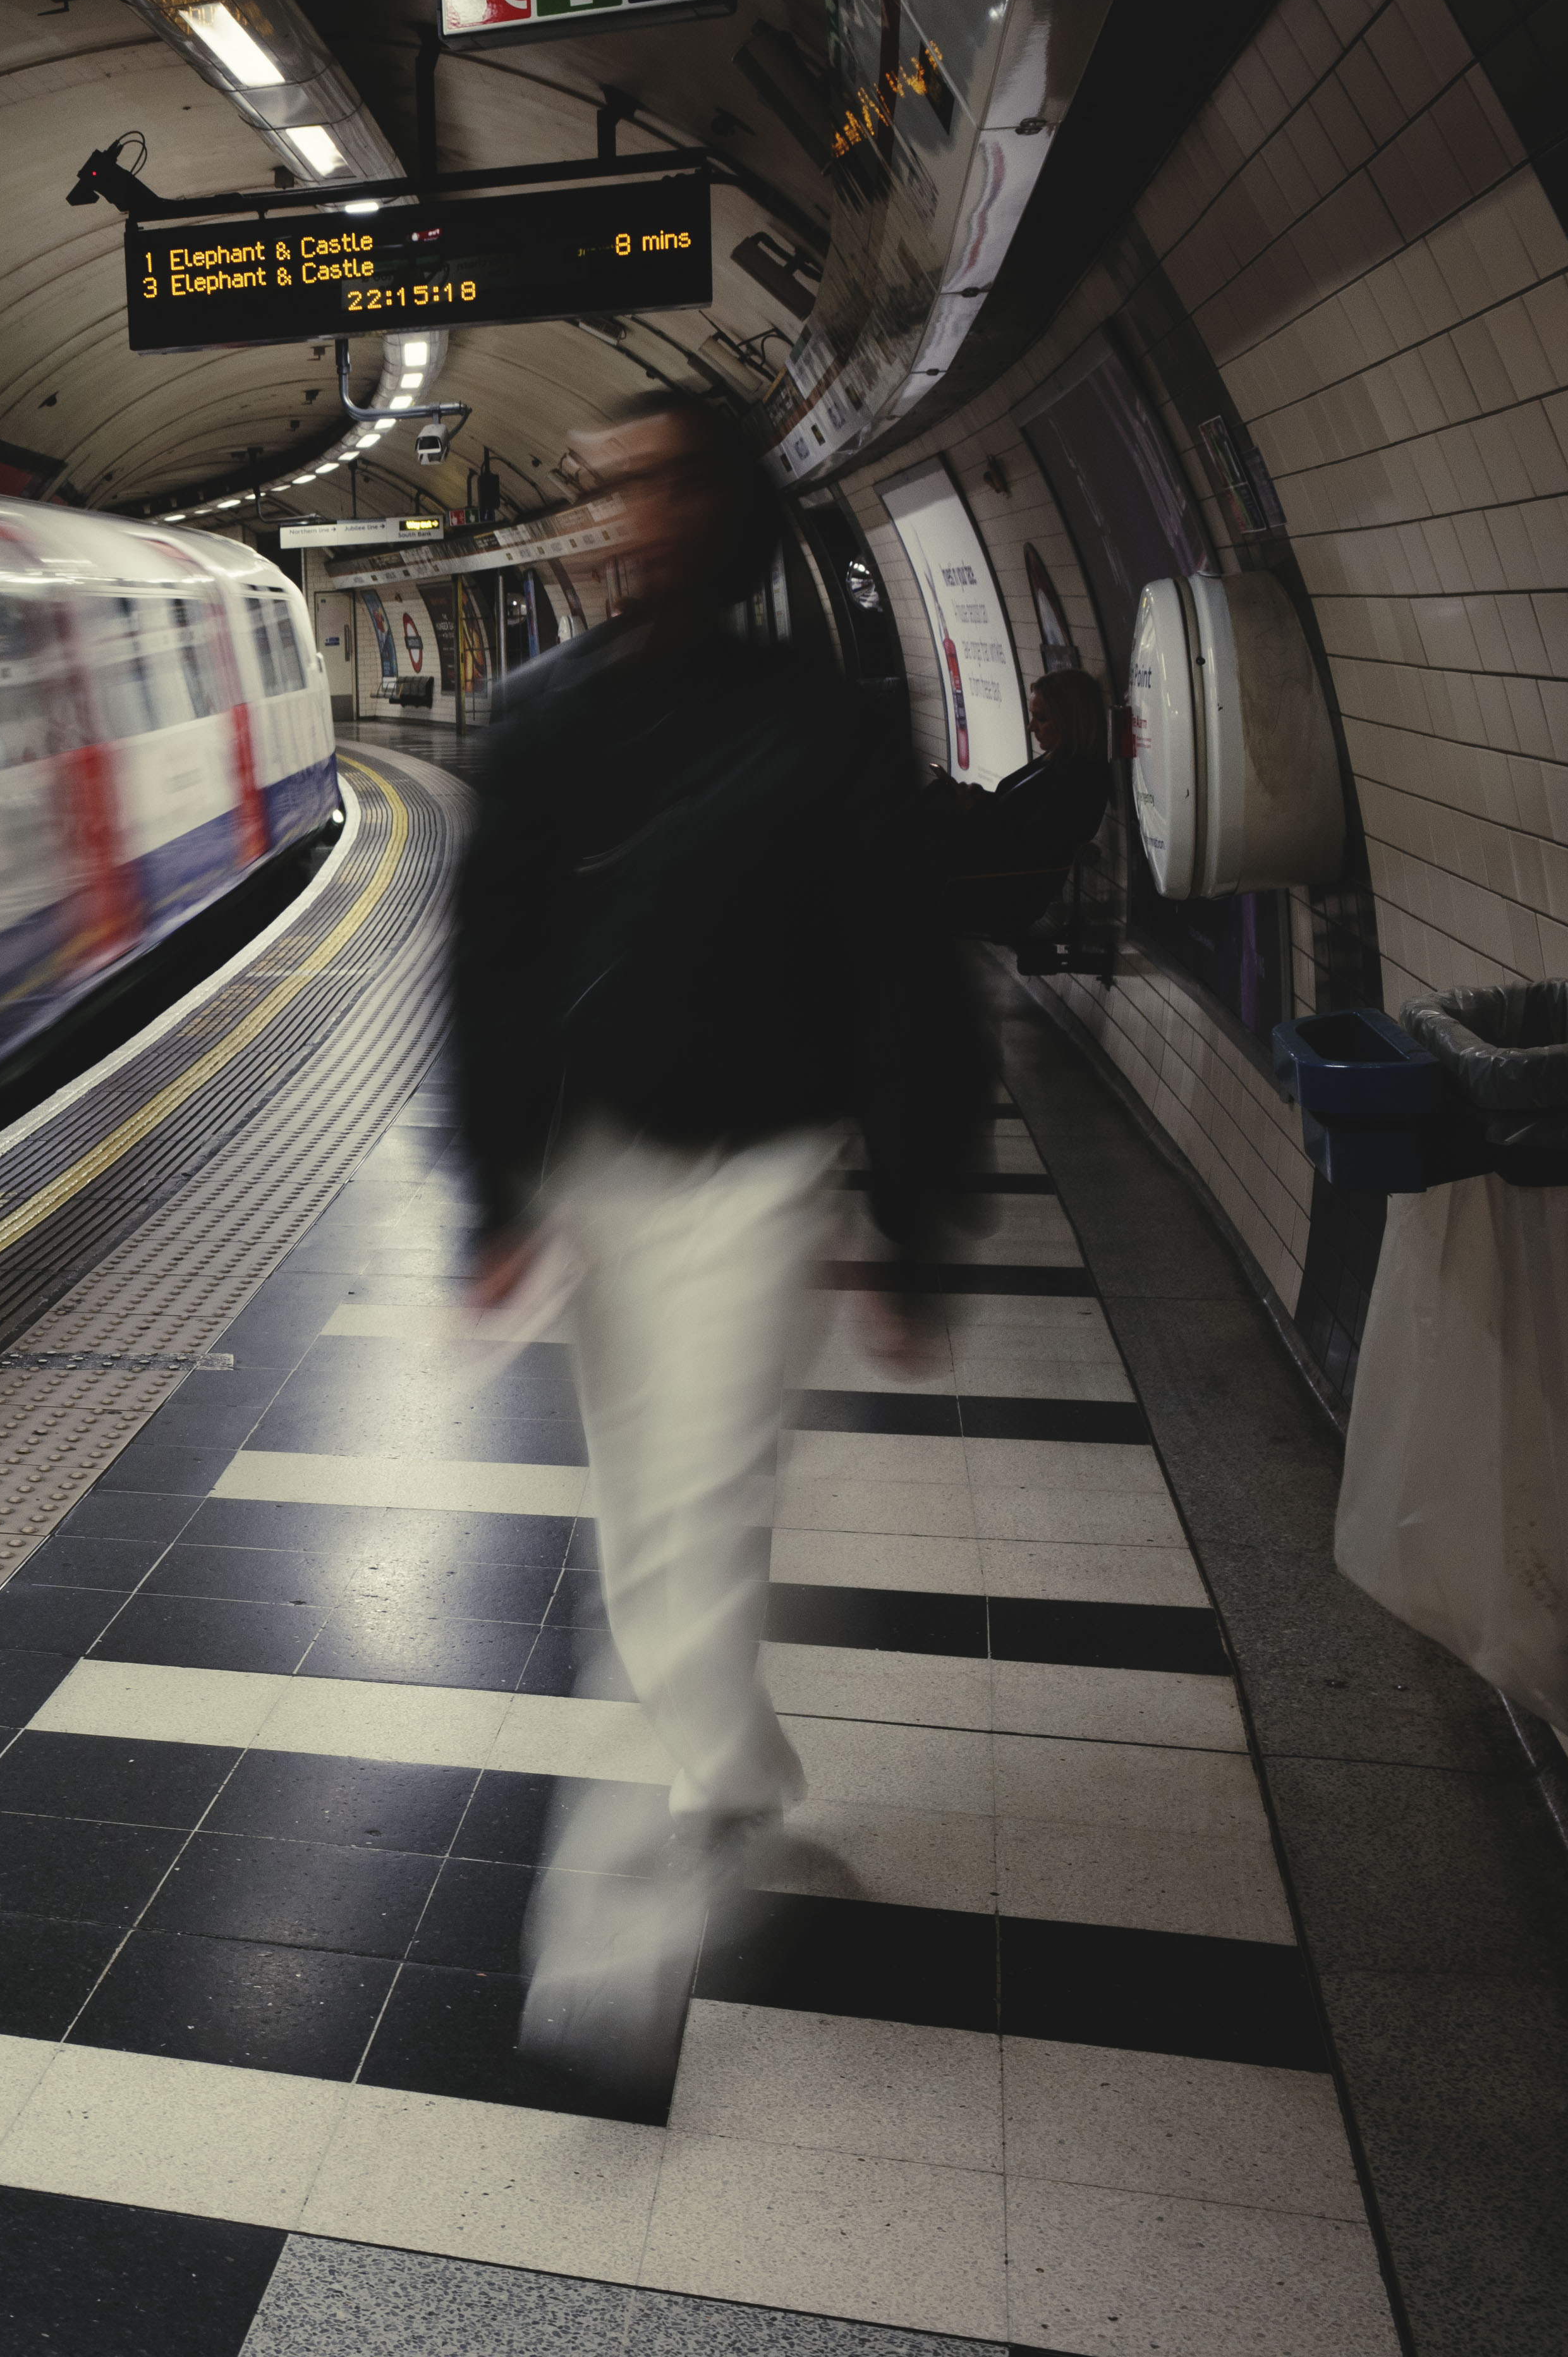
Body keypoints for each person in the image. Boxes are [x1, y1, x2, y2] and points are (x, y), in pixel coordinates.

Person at [446, 391, 990, 2078]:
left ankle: (615, 1924)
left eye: (657, 486)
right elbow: (489, 975)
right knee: (645, 1507)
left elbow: (911, 979)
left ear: (730, 511)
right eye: (598, 490)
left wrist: (912, 1222)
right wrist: (497, 1196)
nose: (618, 519)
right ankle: (740, 1774)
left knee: (696, 1504)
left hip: (763, 1172)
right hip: (607, 1170)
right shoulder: (532, 725)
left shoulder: (820, 724)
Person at [930, 667, 1115, 941]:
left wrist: (974, 813)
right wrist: (985, 800)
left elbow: (1027, 845)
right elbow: (1016, 820)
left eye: (1041, 718)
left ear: (1071, 720)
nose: (1031, 727)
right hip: (985, 877)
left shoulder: (1078, 780)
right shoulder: (1055, 763)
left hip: (999, 893)